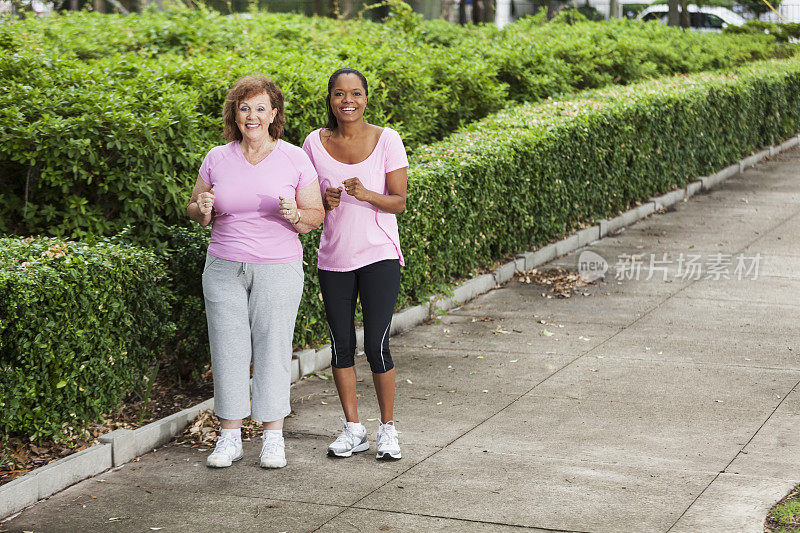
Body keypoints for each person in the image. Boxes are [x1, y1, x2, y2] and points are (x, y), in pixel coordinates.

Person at [187, 74, 324, 469]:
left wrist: (296, 214)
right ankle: (229, 437)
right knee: (228, 349)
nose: (252, 116)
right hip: (224, 266)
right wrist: (204, 208)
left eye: (260, 108)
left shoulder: (294, 157)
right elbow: (194, 211)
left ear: (274, 113)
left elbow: (314, 214)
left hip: (277, 268)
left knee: (273, 348)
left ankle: (273, 438)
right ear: (235, 114)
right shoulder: (217, 157)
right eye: (244, 108)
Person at [302, 68, 408, 461]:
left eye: (356, 93)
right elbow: (308, 201)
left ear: (366, 97)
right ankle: (353, 429)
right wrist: (324, 202)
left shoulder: (387, 139)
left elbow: (399, 200)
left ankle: (388, 430)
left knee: (377, 344)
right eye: (339, 94)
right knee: (340, 346)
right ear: (329, 99)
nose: (348, 100)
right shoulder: (313, 143)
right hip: (334, 259)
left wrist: (366, 194)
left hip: (379, 255)